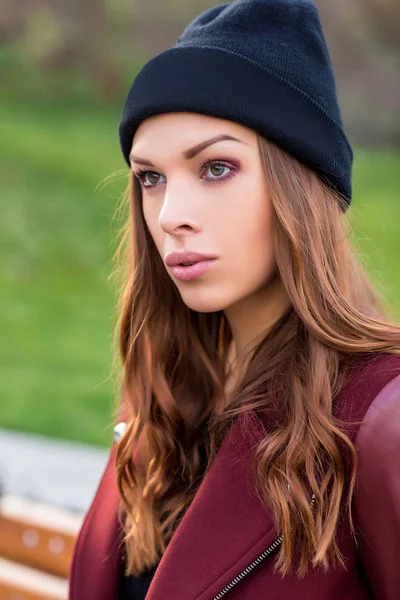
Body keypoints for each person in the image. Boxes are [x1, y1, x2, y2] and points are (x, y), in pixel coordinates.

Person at [68, 1, 400, 599]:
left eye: (216, 168)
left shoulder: (380, 417)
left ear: (300, 187)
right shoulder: (164, 387)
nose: (171, 217)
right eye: (151, 177)